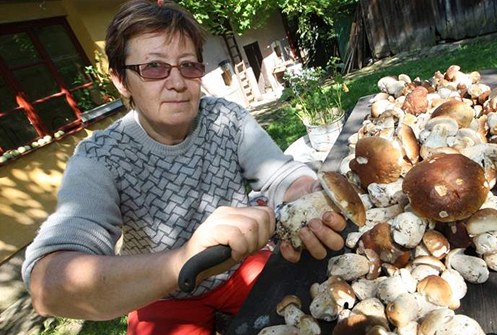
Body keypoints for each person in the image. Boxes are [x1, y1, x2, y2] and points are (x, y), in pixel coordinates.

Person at [21, 1, 346, 334]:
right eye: (154, 67)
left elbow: (282, 176)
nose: (177, 82)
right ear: (120, 79)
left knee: (318, 309)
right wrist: (184, 260)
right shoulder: (100, 157)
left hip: (240, 269)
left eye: (188, 65)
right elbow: (48, 286)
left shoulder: (226, 118)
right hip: (161, 294)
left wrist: (308, 196)